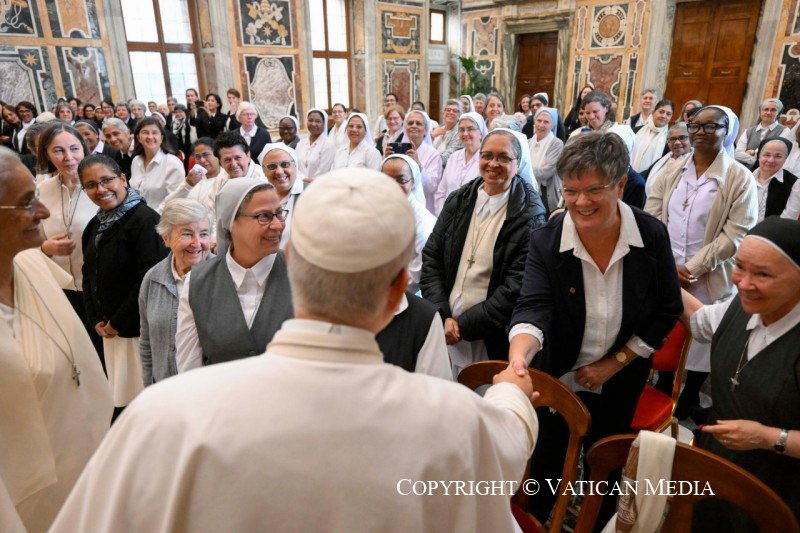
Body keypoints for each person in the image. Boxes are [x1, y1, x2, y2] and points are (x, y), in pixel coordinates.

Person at [50, 167, 539, 533]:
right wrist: (511, 393)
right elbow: (507, 452)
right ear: (397, 292)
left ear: (290, 262)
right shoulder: (452, 419)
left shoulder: (161, 416)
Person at [508, 131, 683, 524]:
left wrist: (614, 363)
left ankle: (596, 523)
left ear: (621, 185)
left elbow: (667, 309)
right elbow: (533, 307)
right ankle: (537, 523)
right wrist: (519, 358)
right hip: (558, 375)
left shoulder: (650, 235)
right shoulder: (547, 240)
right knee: (547, 464)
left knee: (605, 463)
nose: (581, 202)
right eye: (570, 191)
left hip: (621, 377)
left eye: (593, 190)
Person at [0, 147, 112, 532]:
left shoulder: (31, 262)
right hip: (24, 500)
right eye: (26, 202)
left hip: (86, 465)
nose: (44, 212)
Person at [681, 217, 800, 531]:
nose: (744, 283)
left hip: (780, 485)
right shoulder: (741, 305)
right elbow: (698, 320)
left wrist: (770, 438)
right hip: (719, 464)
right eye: (740, 267)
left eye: (763, 274)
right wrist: (660, 273)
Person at [645, 105, 758, 417]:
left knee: (702, 338)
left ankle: (690, 394)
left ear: (727, 131)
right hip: (668, 269)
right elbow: (652, 219)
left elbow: (736, 234)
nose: (700, 132)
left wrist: (693, 268)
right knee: (667, 327)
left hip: (710, 275)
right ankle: (663, 384)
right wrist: (667, 266)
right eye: (695, 125)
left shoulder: (739, 178)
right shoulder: (672, 171)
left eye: (711, 126)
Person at [421, 130, 546, 378]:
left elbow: (517, 284)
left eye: (503, 158)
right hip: (446, 329)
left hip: (489, 335)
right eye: (487, 155)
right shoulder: (459, 200)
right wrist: (442, 314)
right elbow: (432, 256)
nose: (493, 164)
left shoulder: (530, 215)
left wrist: (463, 326)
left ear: (517, 163)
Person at [80, 154, 169, 420]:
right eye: (91, 185)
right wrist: (95, 319)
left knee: (144, 404)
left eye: (106, 180)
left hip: (136, 331)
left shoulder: (145, 220)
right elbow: (88, 274)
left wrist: (117, 322)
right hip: (110, 331)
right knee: (121, 401)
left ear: (122, 179)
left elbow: (149, 280)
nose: (101, 189)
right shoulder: (96, 224)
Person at [175, 179, 292, 371]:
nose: (278, 225)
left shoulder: (302, 273)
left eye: (279, 213)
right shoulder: (198, 283)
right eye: (264, 216)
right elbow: (189, 368)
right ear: (230, 223)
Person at [36, 122, 105, 359]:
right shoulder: (43, 190)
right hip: (60, 287)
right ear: (47, 154)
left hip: (98, 288)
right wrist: (45, 247)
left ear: (84, 148)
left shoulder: (102, 186)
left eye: (74, 148)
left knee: (102, 356)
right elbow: (31, 238)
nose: (68, 157)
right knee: (74, 355)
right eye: (58, 151)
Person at [139, 199, 212, 386]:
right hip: (165, 388)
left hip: (209, 390)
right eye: (187, 234)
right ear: (166, 238)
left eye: (204, 234)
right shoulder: (153, 278)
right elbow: (147, 344)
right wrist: (149, 389)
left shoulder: (223, 277)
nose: (197, 243)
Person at [381, 154, 435, 294]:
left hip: (406, 294)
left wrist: (391, 291)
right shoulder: (378, 210)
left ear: (413, 182)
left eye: (401, 180)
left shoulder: (422, 220)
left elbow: (422, 267)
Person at [387, 109, 442, 213]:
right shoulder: (398, 150)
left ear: (426, 130)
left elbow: (430, 188)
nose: (414, 126)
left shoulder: (433, 154)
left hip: (422, 208)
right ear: (405, 128)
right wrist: (387, 160)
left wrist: (418, 164)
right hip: (397, 204)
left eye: (418, 123)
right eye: (410, 123)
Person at [434, 112, 486, 215]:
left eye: (470, 129)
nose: (465, 133)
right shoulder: (454, 157)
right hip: (447, 217)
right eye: (461, 130)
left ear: (480, 133)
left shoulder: (486, 160)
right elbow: (441, 192)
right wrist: (443, 215)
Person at [129, 117, 184, 214]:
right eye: (145, 132)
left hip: (162, 218)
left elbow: (175, 199)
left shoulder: (172, 163)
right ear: (138, 138)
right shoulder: (136, 161)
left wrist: (150, 218)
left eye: (155, 133)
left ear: (161, 138)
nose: (150, 137)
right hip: (138, 216)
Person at [259, 143, 303, 249]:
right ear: (264, 172)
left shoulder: (311, 194)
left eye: (285, 164)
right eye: (272, 166)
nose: (279, 171)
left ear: (295, 166)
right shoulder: (261, 197)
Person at [750, 137, 800, 220]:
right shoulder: (746, 177)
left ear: (785, 159)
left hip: (772, 228)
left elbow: (787, 219)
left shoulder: (795, 183)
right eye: (767, 155)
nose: (771, 160)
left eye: (778, 156)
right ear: (759, 156)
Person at [529, 107, 565, 214]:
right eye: (539, 120)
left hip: (546, 193)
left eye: (546, 122)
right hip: (529, 190)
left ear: (552, 125)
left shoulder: (557, 144)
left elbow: (546, 172)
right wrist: (538, 168)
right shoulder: (527, 142)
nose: (541, 125)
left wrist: (527, 170)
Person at [735, 98, 788, 169]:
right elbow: (737, 154)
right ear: (760, 111)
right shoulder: (748, 131)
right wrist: (756, 159)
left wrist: (753, 152)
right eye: (766, 109)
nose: (768, 113)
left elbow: (778, 154)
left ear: (778, 113)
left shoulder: (784, 131)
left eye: (773, 110)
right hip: (745, 171)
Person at [642, 122, 691, 193]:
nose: (677, 142)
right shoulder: (662, 161)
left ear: (691, 138)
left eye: (682, 138)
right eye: (672, 139)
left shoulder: (694, 163)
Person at [630, 99, 673, 173]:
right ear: (653, 113)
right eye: (661, 112)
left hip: (652, 178)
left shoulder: (670, 139)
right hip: (629, 175)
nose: (664, 116)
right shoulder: (636, 131)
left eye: (668, 114)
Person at [296, 108, 336, 180]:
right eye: (310, 120)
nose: (313, 124)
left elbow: (323, 171)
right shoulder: (301, 143)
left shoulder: (328, 145)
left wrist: (307, 181)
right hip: (299, 184)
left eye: (318, 121)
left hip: (318, 184)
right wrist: (302, 179)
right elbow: (294, 166)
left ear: (324, 124)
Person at [431, 99, 464, 166]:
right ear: (443, 113)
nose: (451, 112)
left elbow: (446, 159)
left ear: (459, 116)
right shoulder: (437, 129)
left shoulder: (459, 134)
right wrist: (431, 136)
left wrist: (427, 159)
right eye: (448, 110)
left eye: (455, 111)